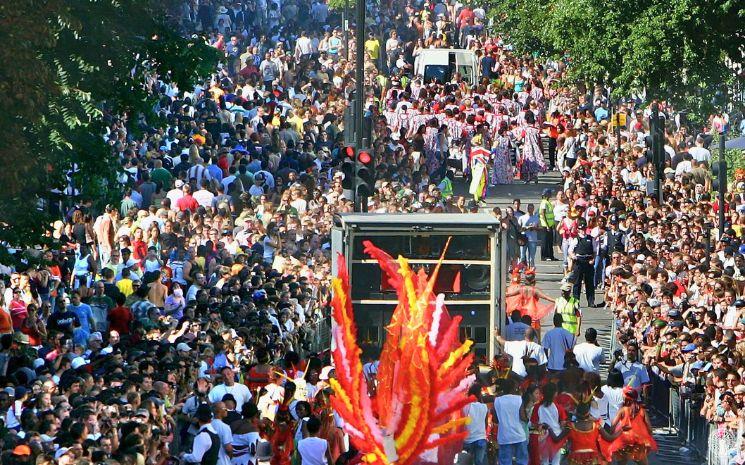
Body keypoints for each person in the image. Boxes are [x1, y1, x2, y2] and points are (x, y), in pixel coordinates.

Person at [608, 388, 657, 465]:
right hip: (638, 441)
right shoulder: (642, 410)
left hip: (624, 440)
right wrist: (649, 439)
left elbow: (613, 426)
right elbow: (649, 427)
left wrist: (611, 437)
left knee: (622, 462)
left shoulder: (622, 410)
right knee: (643, 463)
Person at [493, 378, 528, 465]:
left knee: (505, 462)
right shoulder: (518, 399)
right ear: (513, 388)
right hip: (519, 435)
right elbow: (523, 417)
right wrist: (528, 420)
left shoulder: (497, 400)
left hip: (504, 436)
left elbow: (496, 419)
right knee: (522, 461)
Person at [570, 219, 596, 308]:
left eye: (584, 229)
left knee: (589, 283)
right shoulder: (576, 239)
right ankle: (575, 301)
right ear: (578, 229)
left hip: (588, 261)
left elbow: (595, 251)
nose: (583, 231)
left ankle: (591, 301)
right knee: (577, 283)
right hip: (579, 261)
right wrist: (573, 256)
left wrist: (593, 259)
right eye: (581, 229)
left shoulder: (591, 239)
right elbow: (571, 251)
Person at [462, 384, 488, 465]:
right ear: (479, 394)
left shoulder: (465, 406)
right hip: (481, 438)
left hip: (468, 439)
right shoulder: (484, 407)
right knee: (479, 462)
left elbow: (462, 423)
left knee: (467, 462)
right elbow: (486, 423)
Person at [518, 204, 540, 268]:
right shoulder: (522, 217)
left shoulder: (536, 218)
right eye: (528, 208)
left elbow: (540, 228)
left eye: (531, 208)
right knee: (522, 256)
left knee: (531, 258)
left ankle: (531, 271)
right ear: (526, 209)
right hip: (523, 239)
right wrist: (524, 228)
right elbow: (518, 229)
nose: (529, 210)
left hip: (533, 239)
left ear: (533, 209)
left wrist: (534, 228)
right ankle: (520, 270)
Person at [538, 189, 557, 261]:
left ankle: (551, 255)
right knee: (545, 241)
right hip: (545, 225)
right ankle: (544, 256)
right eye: (550, 193)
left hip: (550, 224)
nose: (551, 195)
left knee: (550, 241)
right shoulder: (544, 203)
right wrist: (547, 225)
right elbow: (543, 214)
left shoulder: (547, 202)